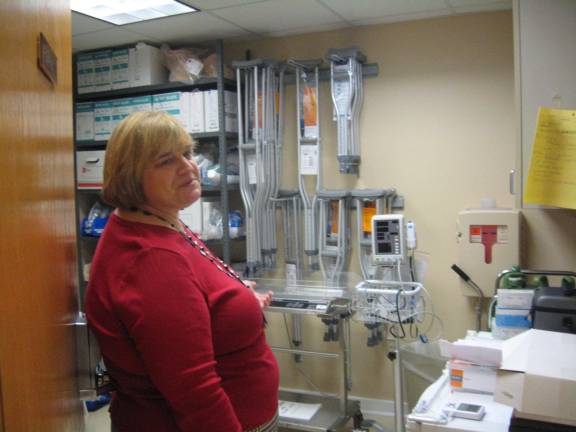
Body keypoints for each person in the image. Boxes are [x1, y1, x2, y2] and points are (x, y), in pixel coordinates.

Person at [85, 111, 279, 432]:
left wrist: (234, 301)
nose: (189, 167)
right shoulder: (150, 260)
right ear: (131, 176)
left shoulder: (159, 221)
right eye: (165, 161)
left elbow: (189, 295)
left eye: (187, 153)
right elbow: (195, 392)